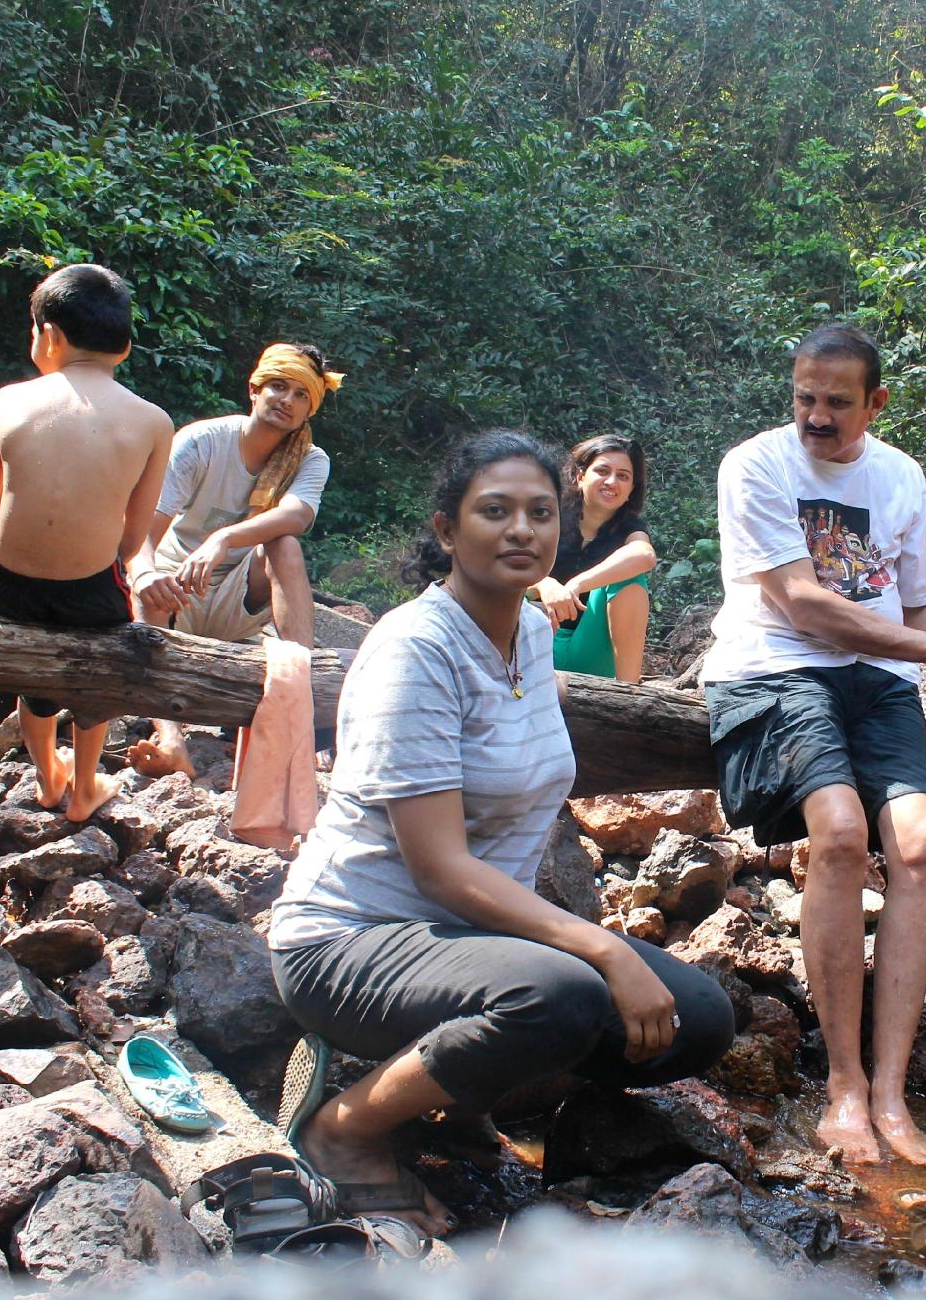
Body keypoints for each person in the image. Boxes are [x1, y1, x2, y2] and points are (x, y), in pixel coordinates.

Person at [268, 430, 734, 1237]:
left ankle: (448, 1097)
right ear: (448, 530)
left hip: (462, 939)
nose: (521, 529)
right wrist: (607, 947)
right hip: (348, 940)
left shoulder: (531, 632)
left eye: (540, 512)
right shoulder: (416, 647)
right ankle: (345, 1125)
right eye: (495, 511)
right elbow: (444, 869)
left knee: (698, 1017)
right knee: (563, 995)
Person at [702, 323, 926, 1167]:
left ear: (875, 403)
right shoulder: (756, 464)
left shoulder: (901, 474)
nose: (815, 416)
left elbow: (918, 607)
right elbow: (803, 605)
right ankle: (844, 1083)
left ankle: (890, 1089)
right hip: (776, 665)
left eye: (836, 403)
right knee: (841, 833)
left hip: (876, 679)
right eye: (804, 397)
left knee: (922, 844)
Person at [0, 263, 173, 823]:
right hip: (92, 587)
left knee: (35, 686)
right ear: (123, 347)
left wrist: (17, 562)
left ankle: (44, 778)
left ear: (49, 334)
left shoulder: (7, 401)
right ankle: (83, 786)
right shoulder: (153, 422)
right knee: (95, 679)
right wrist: (84, 563)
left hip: (10, 589)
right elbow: (131, 537)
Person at [127, 342, 339, 777]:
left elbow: (296, 516)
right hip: (176, 586)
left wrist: (224, 537)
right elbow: (141, 533)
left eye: (301, 395)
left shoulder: (310, 460)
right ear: (254, 389)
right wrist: (145, 574)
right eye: (279, 387)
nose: (287, 401)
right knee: (148, 584)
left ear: (309, 410)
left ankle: (300, 704)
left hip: (237, 596)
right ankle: (170, 740)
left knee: (284, 543)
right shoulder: (202, 442)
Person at [532, 434, 656, 682]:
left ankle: (629, 695)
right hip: (535, 643)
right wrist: (545, 585)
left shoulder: (629, 528)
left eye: (623, 476)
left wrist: (576, 585)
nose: (611, 481)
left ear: (631, 489)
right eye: (602, 470)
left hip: (590, 649)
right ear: (580, 476)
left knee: (630, 578)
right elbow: (505, 570)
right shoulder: (547, 516)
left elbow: (644, 556)